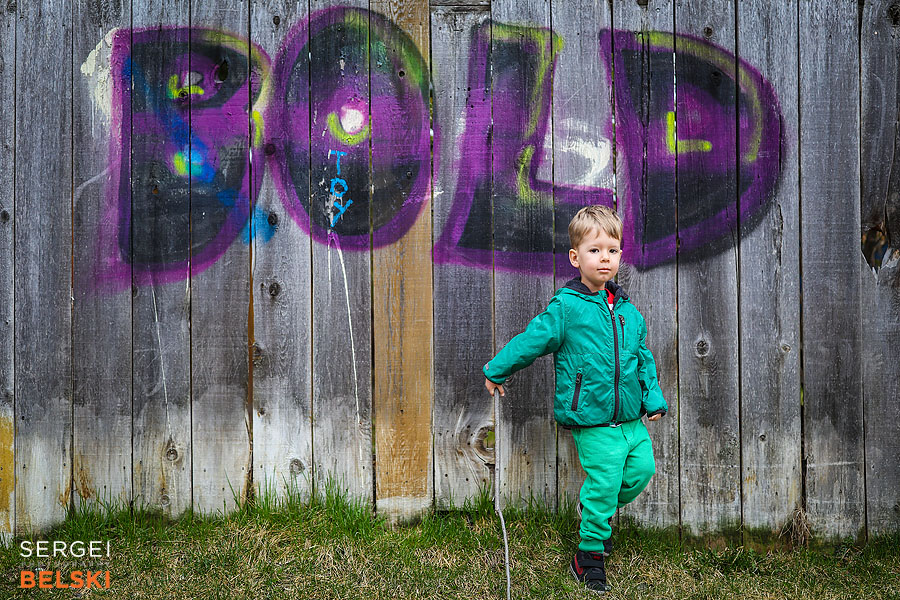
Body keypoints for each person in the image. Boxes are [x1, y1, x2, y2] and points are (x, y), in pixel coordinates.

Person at [483, 205, 667, 594]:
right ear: (575, 257)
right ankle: (589, 554)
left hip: (631, 420)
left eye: (612, 250)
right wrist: (497, 369)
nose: (605, 258)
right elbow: (532, 341)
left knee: (641, 472)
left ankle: (592, 511)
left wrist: (653, 398)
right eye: (595, 250)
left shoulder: (629, 312)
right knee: (605, 484)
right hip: (593, 421)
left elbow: (642, 357)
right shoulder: (567, 308)